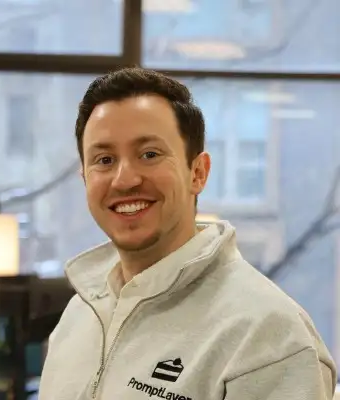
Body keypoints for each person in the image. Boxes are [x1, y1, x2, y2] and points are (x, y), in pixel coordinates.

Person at [38, 67, 337, 400]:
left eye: (149, 154)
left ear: (198, 173)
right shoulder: (77, 318)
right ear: (84, 177)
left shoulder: (269, 336)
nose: (124, 179)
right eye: (104, 159)